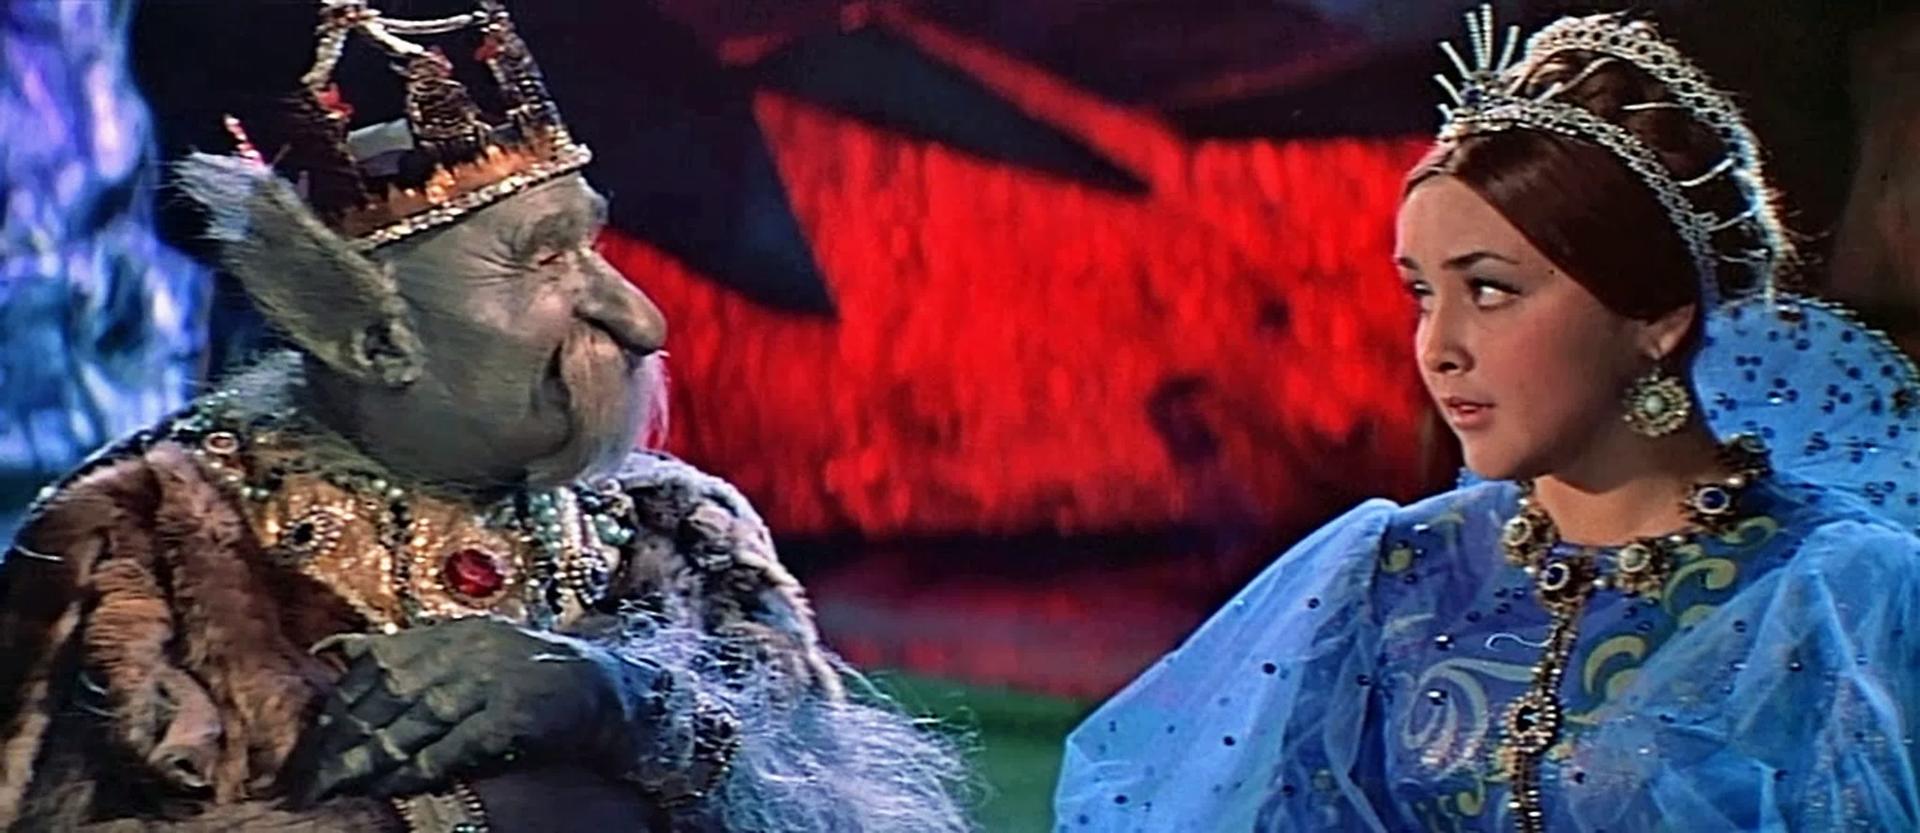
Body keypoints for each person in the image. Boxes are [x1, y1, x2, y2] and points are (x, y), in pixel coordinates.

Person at [0, 1, 969, 831]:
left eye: (592, 246)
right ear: (370, 340)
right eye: (545, 260)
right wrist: (488, 815)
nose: (640, 319)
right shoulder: (138, 543)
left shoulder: (682, 528)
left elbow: (836, 801)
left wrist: (616, 700)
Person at [1055, 7, 1920, 831]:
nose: (1439, 347)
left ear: (1657, 314)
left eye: (1491, 290)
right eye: (1422, 294)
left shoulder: (1833, 591)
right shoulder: (1393, 574)